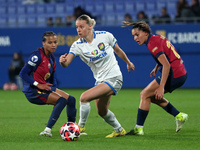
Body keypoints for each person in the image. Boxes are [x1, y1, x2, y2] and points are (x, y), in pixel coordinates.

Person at [59, 14, 135, 138]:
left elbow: (118, 50)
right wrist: (62, 62)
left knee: (84, 97)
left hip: (114, 77)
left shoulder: (105, 36)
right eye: (77, 27)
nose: (78, 29)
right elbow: (66, 63)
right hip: (100, 80)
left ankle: (80, 127)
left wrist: (128, 62)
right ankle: (119, 130)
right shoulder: (77, 45)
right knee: (102, 111)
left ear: (90, 26)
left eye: (81, 27)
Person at [123, 21, 188, 135]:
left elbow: (167, 65)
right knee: (150, 97)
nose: (135, 38)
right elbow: (167, 54)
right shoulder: (156, 38)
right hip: (180, 73)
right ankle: (179, 116)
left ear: (146, 32)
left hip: (175, 73)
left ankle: (138, 129)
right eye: (133, 35)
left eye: (137, 34)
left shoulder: (152, 44)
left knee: (144, 94)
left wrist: (161, 87)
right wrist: (157, 65)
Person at [19, 31, 77, 137]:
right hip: (33, 91)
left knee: (71, 100)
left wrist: (53, 90)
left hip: (44, 88)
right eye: (50, 42)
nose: (53, 45)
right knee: (62, 100)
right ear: (43, 43)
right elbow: (23, 73)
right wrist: (37, 84)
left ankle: (72, 129)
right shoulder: (37, 56)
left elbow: (52, 81)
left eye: (55, 42)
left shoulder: (52, 59)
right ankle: (47, 130)